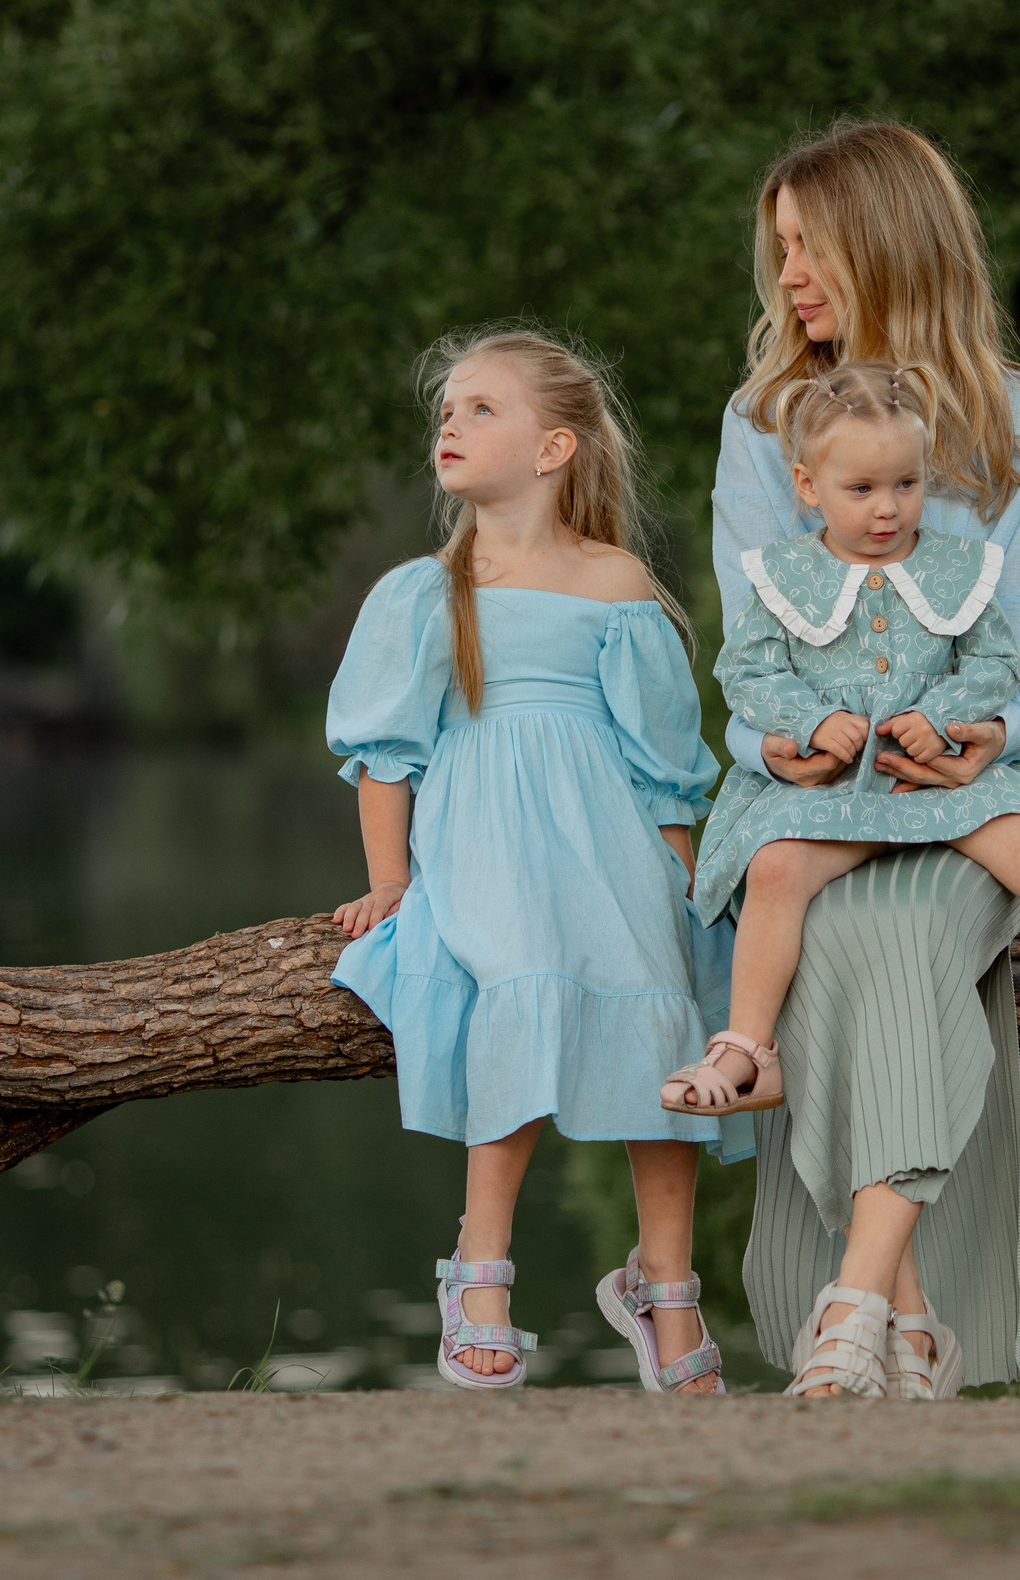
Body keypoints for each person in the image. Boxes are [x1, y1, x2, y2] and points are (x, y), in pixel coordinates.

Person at [706, 120, 1020, 1401]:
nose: (788, 275)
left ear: (889, 242)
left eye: (811, 246)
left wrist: (979, 739)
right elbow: (753, 646)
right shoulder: (763, 423)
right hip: (812, 787)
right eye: (779, 248)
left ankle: (854, 1301)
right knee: (837, 931)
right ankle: (906, 1321)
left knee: (903, 934)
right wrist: (780, 749)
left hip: (964, 786)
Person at [326, 325, 732, 1395]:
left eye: (481, 407)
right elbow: (385, 758)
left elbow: (661, 769)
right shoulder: (429, 590)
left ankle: (665, 1283)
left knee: (659, 1002)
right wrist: (390, 883)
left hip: (609, 841)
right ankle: (480, 1270)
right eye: (445, 410)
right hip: (486, 840)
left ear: (554, 449)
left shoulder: (615, 582)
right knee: (521, 977)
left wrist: (679, 884)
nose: (450, 424)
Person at [662, 359, 1020, 1187]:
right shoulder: (784, 576)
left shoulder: (957, 568)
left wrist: (944, 714)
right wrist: (808, 719)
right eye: (862, 488)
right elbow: (746, 672)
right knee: (776, 867)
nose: (888, 508)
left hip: (938, 779)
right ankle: (749, 1047)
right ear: (808, 486)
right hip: (835, 786)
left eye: (906, 483)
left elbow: (996, 660)